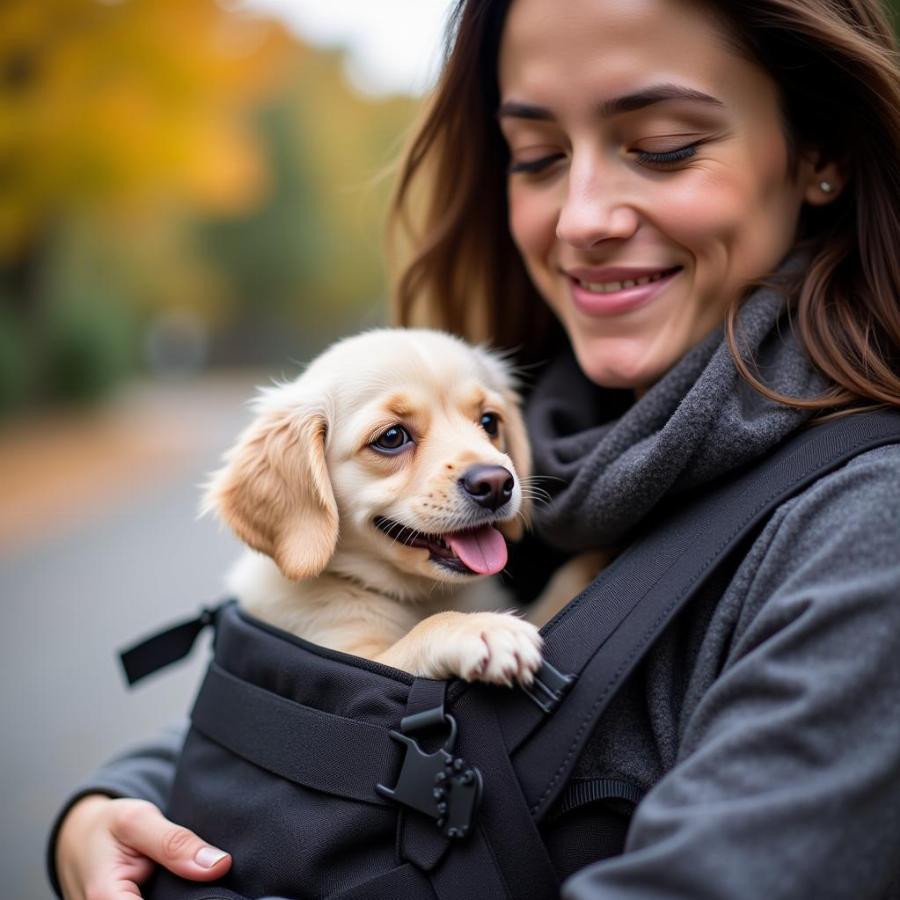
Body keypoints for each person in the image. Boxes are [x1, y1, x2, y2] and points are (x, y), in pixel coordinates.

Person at [50, 0, 900, 897]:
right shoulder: (579, 445)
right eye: (536, 158)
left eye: (662, 144)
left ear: (820, 153)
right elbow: (339, 713)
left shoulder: (864, 531)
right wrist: (110, 808)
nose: (581, 219)